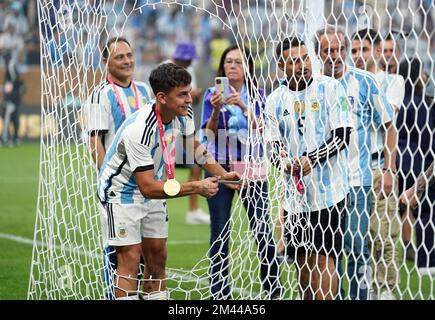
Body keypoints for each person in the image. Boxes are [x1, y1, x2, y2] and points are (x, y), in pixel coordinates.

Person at [97, 63, 240, 299]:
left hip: (154, 187)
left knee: (157, 257)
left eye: (188, 92)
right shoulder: (139, 130)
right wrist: (196, 187)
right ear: (162, 97)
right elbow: (147, 187)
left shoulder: (184, 113)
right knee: (130, 259)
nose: (188, 99)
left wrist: (222, 175)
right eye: (182, 94)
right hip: (121, 193)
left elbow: (195, 148)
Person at [266, 37, 352, 300]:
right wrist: (283, 160)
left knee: (324, 263)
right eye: (294, 60)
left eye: (305, 58)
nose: (303, 64)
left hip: (330, 195)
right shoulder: (275, 100)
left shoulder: (331, 88)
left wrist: (311, 159)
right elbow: (272, 145)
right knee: (303, 271)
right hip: (296, 201)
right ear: (281, 65)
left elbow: (342, 136)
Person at [314, 25, 395, 300]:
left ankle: (359, 296)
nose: (335, 56)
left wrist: (387, 169)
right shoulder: (312, 86)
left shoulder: (365, 81)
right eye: (328, 51)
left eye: (339, 50)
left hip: (357, 181)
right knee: (327, 249)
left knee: (357, 247)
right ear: (318, 53)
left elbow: (389, 126)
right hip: (322, 184)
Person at [201, 44, 282, 299]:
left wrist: (244, 107)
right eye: (228, 62)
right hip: (220, 168)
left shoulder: (259, 95)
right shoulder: (211, 94)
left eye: (237, 62)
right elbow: (207, 134)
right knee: (220, 231)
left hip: (252, 167)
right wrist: (215, 109)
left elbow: (265, 130)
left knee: (262, 231)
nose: (232, 66)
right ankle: (219, 293)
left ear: (247, 67)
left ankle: (273, 288)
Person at [84, 36, 152, 298]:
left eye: (129, 55)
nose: (127, 61)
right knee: (118, 249)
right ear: (105, 62)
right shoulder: (100, 94)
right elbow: (95, 141)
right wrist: (107, 179)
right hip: (118, 188)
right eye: (119, 57)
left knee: (148, 248)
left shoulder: (145, 90)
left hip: (147, 184)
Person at [351, 29, 404, 300]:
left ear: (376, 51)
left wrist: (389, 170)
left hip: (379, 163)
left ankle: (385, 289)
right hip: (352, 169)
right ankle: (366, 285)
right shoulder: (349, 82)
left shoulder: (392, 81)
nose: (359, 56)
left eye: (364, 50)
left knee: (385, 235)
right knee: (360, 236)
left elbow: (386, 118)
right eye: (355, 51)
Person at [397, 58, 435, 277]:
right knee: (426, 212)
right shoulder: (419, 103)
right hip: (419, 164)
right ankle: (426, 261)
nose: (425, 76)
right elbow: (426, 137)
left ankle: (407, 248)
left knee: (404, 209)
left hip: (400, 163)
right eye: (422, 72)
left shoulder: (401, 100)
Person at [167, 41, 210, 225]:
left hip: (185, 125)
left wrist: (195, 97)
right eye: (186, 60)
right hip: (168, 127)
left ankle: (193, 211)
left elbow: (189, 101)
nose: (188, 63)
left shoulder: (188, 72)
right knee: (161, 170)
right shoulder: (164, 71)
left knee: (196, 165)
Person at [1, 52, 23, 146]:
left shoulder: (11, 66)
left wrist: (7, 97)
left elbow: (11, 83)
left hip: (11, 100)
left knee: (6, 118)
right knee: (15, 119)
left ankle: (5, 139)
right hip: (16, 99)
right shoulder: (13, 68)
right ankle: (16, 138)